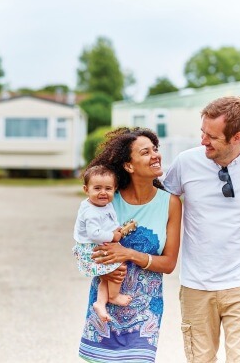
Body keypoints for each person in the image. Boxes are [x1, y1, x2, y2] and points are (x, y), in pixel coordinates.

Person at [163, 96, 240, 362]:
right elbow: (160, 206)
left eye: (212, 136)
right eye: (202, 132)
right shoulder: (185, 163)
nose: (203, 141)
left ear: (236, 137)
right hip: (196, 286)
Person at [78, 127, 182, 363]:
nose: (155, 155)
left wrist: (129, 253)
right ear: (128, 165)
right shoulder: (108, 200)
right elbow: (88, 246)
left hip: (145, 310)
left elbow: (168, 263)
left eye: (155, 149)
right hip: (104, 305)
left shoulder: (171, 203)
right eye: (145, 152)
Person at [72, 165, 132, 323]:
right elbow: (94, 233)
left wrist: (114, 228)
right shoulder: (91, 212)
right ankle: (113, 296)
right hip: (91, 249)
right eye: (97, 188)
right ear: (86, 189)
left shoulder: (102, 204)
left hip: (94, 245)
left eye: (108, 188)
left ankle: (100, 303)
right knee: (118, 265)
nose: (103, 192)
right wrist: (113, 235)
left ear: (115, 189)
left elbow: (106, 221)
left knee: (106, 277)